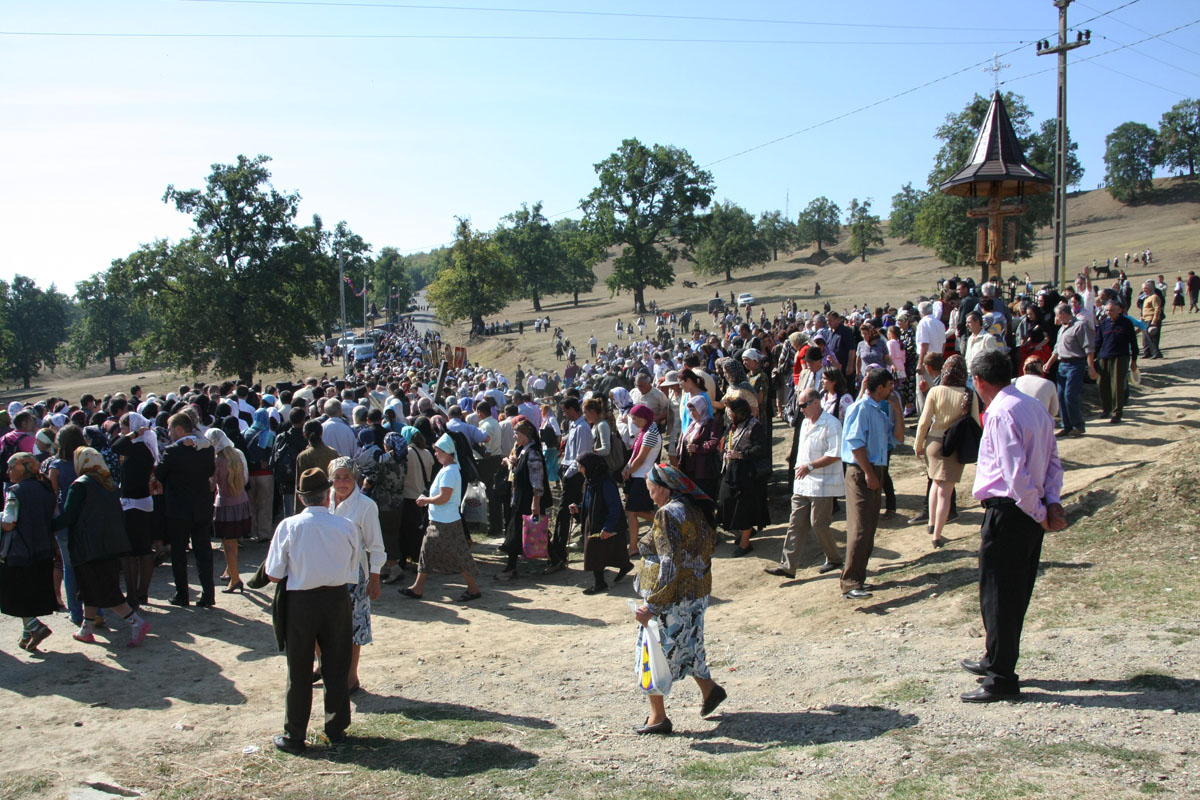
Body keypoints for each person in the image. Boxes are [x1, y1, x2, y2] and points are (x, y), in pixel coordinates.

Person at [961, 350, 1065, 702]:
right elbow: (1053, 462)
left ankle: (1001, 677)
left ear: (979, 381)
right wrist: (1049, 503)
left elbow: (1014, 473)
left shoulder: (1001, 413)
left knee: (999, 594)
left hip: (1011, 510)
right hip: (1029, 510)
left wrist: (1037, 510)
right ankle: (996, 656)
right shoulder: (1033, 406)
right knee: (1012, 591)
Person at [265, 468, 359, 755]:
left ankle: (294, 735)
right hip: (336, 599)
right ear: (328, 493)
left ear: (301, 498)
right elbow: (352, 570)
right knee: (336, 664)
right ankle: (337, 728)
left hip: (301, 602)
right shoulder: (345, 526)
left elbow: (273, 573)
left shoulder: (289, 527)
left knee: (300, 668)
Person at [631, 463, 725, 736]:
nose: (650, 496)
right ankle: (710, 691)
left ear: (662, 488)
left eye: (651, 490)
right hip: (695, 595)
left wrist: (653, 605)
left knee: (652, 652)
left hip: (671, 600)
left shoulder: (668, 514)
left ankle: (658, 717)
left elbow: (669, 563)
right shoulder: (695, 508)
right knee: (689, 644)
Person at [52, 448, 152, 647]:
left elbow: (69, 515)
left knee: (105, 591)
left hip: (88, 546)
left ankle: (136, 622)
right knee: (90, 588)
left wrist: (47, 527)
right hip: (110, 544)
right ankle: (86, 628)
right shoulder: (109, 484)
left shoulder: (80, 486)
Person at [839, 369, 903, 600]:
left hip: (874, 469)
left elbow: (897, 437)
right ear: (880, 387)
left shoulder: (879, 410)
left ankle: (859, 578)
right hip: (862, 470)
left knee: (869, 527)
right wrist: (869, 473)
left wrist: (897, 411)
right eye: (889, 386)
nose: (892, 390)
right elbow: (855, 444)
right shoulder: (861, 409)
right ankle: (850, 582)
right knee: (860, 528)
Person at [766, 388, 844, 580]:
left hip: (823, 483)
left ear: (816, 403)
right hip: (803, 483)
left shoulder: (832, 424)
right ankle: (788, 566)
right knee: (795, 524)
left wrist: (810, 466)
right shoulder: (805, 424)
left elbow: (835, 454)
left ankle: (834, 557)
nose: (800, 409)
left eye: (803, 405)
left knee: (819, 524)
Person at [401, 434, 482, 601]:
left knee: (456, 554)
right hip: (443, 520)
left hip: (445, 522)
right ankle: (418, 587)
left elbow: (444, 497)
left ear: (446, 452)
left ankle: (473, 589)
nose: (435, 454)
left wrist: (425, 501)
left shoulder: (449, 472)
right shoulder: (449, 470)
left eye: (437, 451)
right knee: (429, 553)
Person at [328, 457, 385, 693]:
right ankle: (325, 667)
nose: (342, 483)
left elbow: (376, 546)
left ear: (356, 478)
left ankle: (351, 676)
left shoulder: (365, 506)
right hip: (326, 575)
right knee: (326, 626)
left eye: (347, 477)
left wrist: (374, 578)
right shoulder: (324, 501)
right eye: (337, 478)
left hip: (354, 575)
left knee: (354, 627)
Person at [913, 355, 975, 549]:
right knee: (945, 492)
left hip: (933, 442)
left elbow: (924, 421)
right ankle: (937, 536)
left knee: (934, 483)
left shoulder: (935, 391)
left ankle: (931, 524)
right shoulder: (968, 393)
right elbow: (976, 423)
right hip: (954, 445)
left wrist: (918, 444)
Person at [155, 412, 217, 607]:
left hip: (178, 510)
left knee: (179, 555)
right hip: (201, 507)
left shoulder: (172, 451)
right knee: (203, 553)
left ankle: (182, 594)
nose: (169, 432)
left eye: (170, 428)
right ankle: (208, 594)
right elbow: (209, 471)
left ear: (179, 429)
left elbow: (161, 474)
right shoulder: (206, 449)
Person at [1, 453, 59, 652]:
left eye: (11, 468)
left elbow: (8, 522)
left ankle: (34, 627)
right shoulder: (45, 488)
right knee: (27, 594)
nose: (8, 472)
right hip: (43, 550)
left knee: (14, 594)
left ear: (22, 468)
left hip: (19, 551)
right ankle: (27, 633)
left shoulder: (14, 491)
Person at [111, 412, 157, 607]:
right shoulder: (146, 449)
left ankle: (132, 593)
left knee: (130, 553)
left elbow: (115, 446)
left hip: (132, 503)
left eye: (124, 429)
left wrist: (134, 434)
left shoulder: (136, 448)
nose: (122, 434)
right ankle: (142, 592)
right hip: (144, 501)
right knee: (144, 550)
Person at [572, 452, 633, 595]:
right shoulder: (589, 480)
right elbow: (588, 501)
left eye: (581, 467)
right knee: (608, 550)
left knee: (594, 552)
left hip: (604, 521)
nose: (579, 470)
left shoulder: (605, 482)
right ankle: (625, 565)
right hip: (593, 519)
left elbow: (614, 506)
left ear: (590, 466)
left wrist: (608, 527)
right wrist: (578, 508)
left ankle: (600, 583)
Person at [498, 419, 550, 580]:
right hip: (520, 498)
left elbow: (537, 479)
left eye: (517, 433)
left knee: (518, 531)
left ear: (526, 435)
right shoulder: (523, 450)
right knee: (530, 530)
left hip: (528, 499)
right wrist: (515, 463)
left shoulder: (533, 453)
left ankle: (510, 567)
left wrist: (536, 502)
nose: (514, 436)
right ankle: (556, 558)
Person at [719, 397, 770, 557]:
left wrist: (740, 454)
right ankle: (745, 532)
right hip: (731, 471)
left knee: (744, 508)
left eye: (731, 412)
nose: (729, 414)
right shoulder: (733, 426)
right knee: (726, 501)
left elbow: (761, 448)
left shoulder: (754, 426)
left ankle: (745, 543)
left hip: (747, 474)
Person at [548, 397, 592, 574]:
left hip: (574, 475)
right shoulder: (574, 426)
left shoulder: (582, 428)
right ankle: (559, 551)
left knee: (565, 514)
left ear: (574, 409)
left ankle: (559, 553)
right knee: (566, 513)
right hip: (568, 471)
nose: (564, 414)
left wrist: (568, 473)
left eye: (566, 410)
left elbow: (581, 455)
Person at [206, 428, 251, 593]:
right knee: (233, 541)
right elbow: (245, 478)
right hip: (241, 501)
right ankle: (231, 572)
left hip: (225, 504)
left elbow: (211, 486)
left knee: (227, 544)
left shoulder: (218, 461)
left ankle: (234, 578)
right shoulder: (237, 455)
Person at [1043, 302, 1094, 438]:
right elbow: (1057, 349)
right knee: (1061, 396)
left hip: (1075, 364)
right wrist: (1049, 363)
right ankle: (1066, 426)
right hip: (1062, 365)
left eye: (1058, 315)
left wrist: (1091, 367)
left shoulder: (1079, 326)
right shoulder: (1062, 329)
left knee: (1070, 395)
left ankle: (1078, 425)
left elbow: (1088, 348)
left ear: (1064, 314)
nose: (1056, 318)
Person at [621, 404, 662, 559]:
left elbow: (641, 458)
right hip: (636, 475)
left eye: (635, 418)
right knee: (632, 512)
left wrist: (628, 471)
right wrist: (627, 469)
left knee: (635, 511)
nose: (634, 421)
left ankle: (664, 522)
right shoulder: (645, 431)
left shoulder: (651, 432)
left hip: (642, 476)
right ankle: (633, 546)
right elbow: (634, 456)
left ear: (644, 417)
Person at [1095, 299, 1138, 424]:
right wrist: (1092, 358)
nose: (1109, 312)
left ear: (1119, 310)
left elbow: (1133, 343)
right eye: (1107, 310)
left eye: (1112, 310)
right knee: (1102, 383)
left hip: (1120, 357)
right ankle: (1106, 408)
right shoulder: (1103, 323)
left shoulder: (1126, 323)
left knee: (1117, 385)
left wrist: (1134, 360)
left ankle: (1117, 412)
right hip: (1104, 357)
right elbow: (1098, 342)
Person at [399, 426, 435, 571]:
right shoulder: (427, 453)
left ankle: (411, 557)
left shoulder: (406, 453)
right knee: (419, 530)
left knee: (407, 531)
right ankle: (419, 556)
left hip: (408, 495)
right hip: (422, 495)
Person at [676, 394, 722, 501]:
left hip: (704, 470)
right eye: (690, 410)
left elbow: (714, 442)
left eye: (695, 410)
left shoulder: (711, 424)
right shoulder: (692, 425)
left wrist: (697, 448)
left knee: (704, 500)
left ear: (702, 409)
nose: (692, 413)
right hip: (690, 467)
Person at [244, 408, 276, 541]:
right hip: (266, 474)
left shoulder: (245, 433)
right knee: (265, 505)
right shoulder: (269, 435)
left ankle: (249, 531)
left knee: (250, 505)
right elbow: (271, 454)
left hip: (249, 474)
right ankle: (263, 534)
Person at [295, 419, 339, 509]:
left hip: (310, 504)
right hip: (331, 500)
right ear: (322, 433)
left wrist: (297, 512)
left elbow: (300, 486)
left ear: (304, 434)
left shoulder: (303, 456)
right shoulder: (333, 453)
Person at [1140, 279, 1164, 359]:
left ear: (1151, 289)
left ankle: (1156, 353)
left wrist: (1154, 321)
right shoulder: (1147, 297)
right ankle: (1147, 352)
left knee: (1152, 337)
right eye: (1143, 288)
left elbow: (1157, 309)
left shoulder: (1154, 297)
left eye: (1146, 288)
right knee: (1146, 338)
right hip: (1146, 319)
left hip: (1151, 319)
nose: (1144, 290)